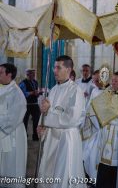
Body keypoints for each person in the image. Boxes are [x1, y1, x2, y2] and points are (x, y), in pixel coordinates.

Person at [37, 55, 86, 188]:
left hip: (66, 139)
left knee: (64, 174)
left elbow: (72, 118)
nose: (55, 70)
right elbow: (45, 112)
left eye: (59, 67)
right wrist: (41, 126)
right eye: (54, 67)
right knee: (50, 173)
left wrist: (49, 113)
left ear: (69, 70)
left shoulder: (76, 90)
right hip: (52, 138)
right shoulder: (53, 89)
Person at [95, 71, 118, 188]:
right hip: (105, 132)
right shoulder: (107, 93)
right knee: (102, 164)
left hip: (117, 135)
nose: (113, 83)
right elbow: (98, 111)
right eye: (112, 80)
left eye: (116, 81)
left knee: (114, 167)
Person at [0, 63, 27, 188]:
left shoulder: (17, 93)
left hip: (11, 134)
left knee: (11, 164)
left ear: (9, 74)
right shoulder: (1, 88)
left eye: (0, 72)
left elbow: (13, 118)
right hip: (2, 133)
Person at [19, 68, 41, 141]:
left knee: (37, 120)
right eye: (32, 73)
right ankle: (24, 136)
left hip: (34, 104)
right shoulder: (23, 83)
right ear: (28, 74)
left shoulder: (35, 82)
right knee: (24, 121)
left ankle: (35, 136)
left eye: (34, 73)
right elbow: (22, 94)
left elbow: (36, 91)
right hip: (26, 104)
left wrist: (37, 94)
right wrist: (32, 93)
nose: (34, 75)